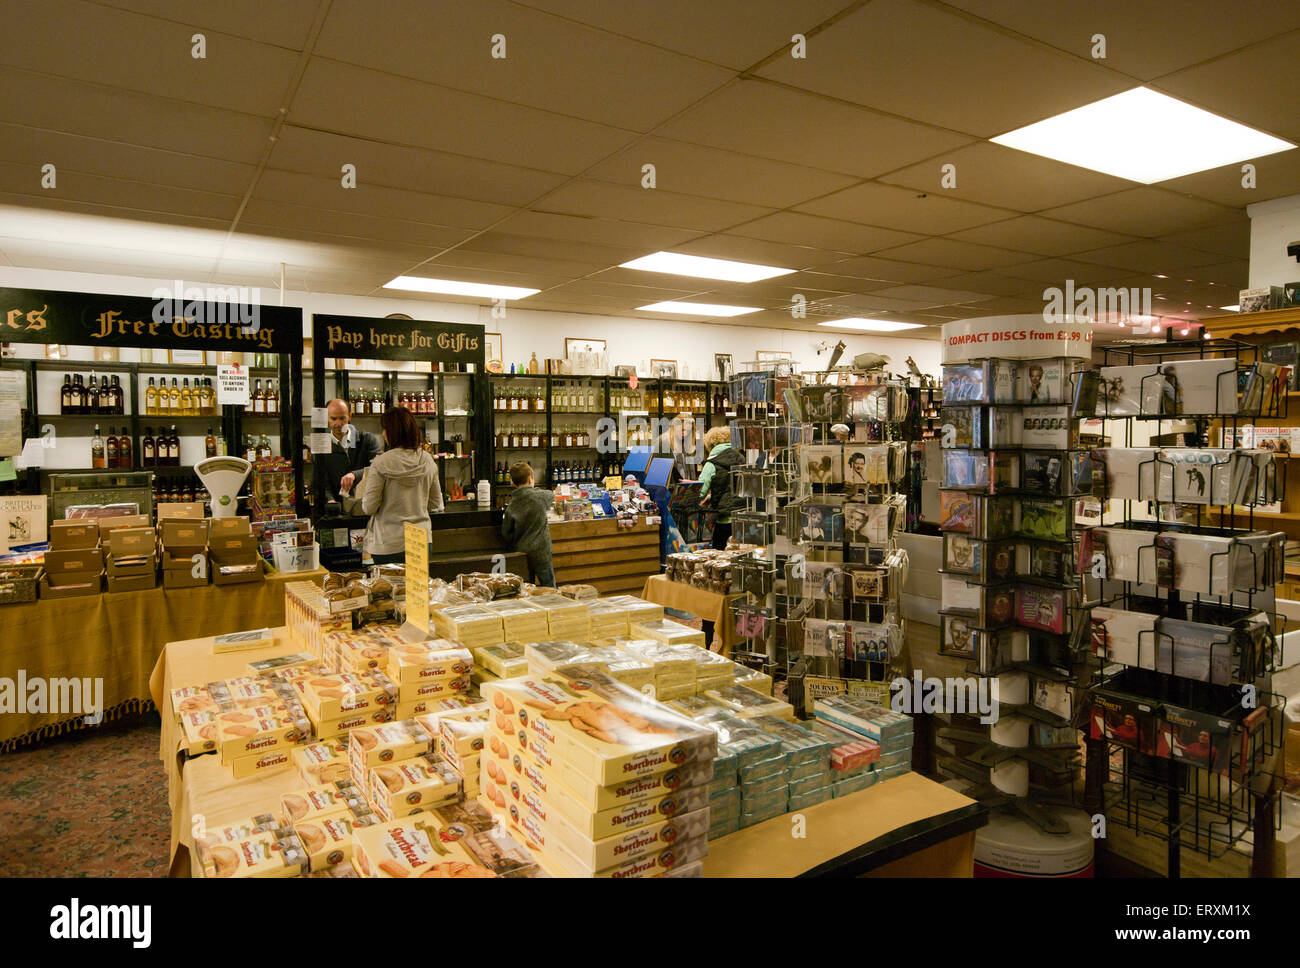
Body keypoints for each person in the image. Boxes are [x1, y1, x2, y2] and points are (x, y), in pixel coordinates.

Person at [359, 406, 442, 565]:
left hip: (388, 542)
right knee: (416, 590)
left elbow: (369, 507)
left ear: (391, 432)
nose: (383, 433)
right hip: (421, 540)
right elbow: (436, 504)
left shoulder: (380, 463)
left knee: (389, 589)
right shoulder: (427, 460)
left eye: (384, 429)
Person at [316, 398, 382, 506]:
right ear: (326, 418)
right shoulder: (322, 445)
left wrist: (355, 475)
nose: (338, 423)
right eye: (333, 418)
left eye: (342, 418)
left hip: (367, 506)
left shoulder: (367, 439)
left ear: (350, 416)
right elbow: (321, 480)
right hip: (336, 509)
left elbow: (379, 467)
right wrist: (330, 501)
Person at [502, 461, 556, 587]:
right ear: (530, 479)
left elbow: (506, 532)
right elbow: (551, 495)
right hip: (542, 551)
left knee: (526, 588)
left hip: (522, 552)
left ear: (512, 482)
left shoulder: (511, 506)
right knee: (549, 586)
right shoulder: (540, 497)